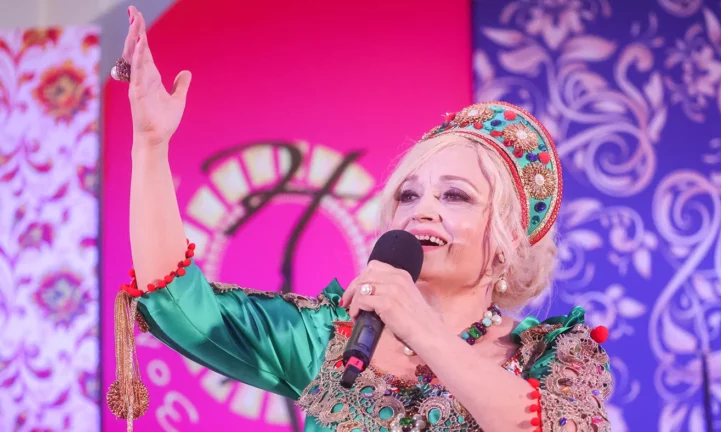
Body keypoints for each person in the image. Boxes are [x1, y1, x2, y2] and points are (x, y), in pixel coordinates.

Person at [108, 6, 613, 432]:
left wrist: (420, 326)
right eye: (408, 195)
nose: (422, 210)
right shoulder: (331, 341)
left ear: (506, 240)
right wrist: (150, 146)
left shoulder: (554, 356)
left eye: (455, 195)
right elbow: (181, 306)